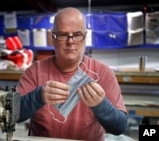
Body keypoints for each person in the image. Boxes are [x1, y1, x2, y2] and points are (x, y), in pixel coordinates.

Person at [16, 7, 127, 141]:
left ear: (85, 36)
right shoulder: (35, 72)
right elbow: (13, 115)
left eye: (77, 34)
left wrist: (101, 105)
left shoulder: (103, 73)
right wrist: (38, 97)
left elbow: (119, 127)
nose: (70, 41)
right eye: (63, 35)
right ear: (53, 37)